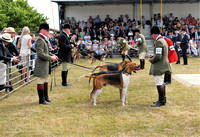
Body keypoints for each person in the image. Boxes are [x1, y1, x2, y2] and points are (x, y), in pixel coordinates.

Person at [34, 23, 58, 105]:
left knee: (45, 80)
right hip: (41, 64)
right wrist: (50, 58)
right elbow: (40, 53)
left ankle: (46, 97)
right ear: (43, 30)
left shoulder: (43, 39)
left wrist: (52, 56)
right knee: (41, 80)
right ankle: (41, 100)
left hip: (45, 64)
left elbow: (46, 52)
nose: (48, 32)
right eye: (47, 30)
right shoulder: (40, 40)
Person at [149, 26, 171, 107]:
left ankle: (161, 101)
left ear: (154, 34)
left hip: (160, 65)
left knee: (159, 83)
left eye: (152, 34)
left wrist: (151, 59)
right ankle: (162, 100)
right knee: (161, 82)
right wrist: (154, 55)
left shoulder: (159, 42)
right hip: (164, 64)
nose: (152, 36)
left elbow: (158, 56)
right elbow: (159, 54)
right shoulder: (163, 40)